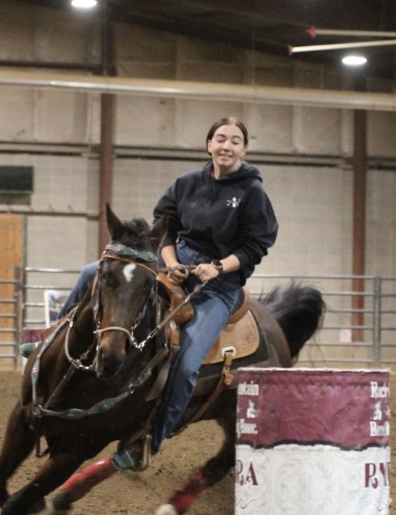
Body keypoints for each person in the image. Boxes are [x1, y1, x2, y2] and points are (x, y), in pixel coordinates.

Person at [58, 117, 278, 470]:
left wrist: (218, 267)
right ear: (209, 144)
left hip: (218, 285)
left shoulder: (252, 194)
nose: (226, 146)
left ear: (244, 149)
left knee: (188, 363)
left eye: (235, 141)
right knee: (90, 274)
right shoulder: (186, 183)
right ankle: (54, 336)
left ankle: (149, 439)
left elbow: (255, 246)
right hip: (176, 263)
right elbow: (165, 228)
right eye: (221, 138)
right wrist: (171, 262)